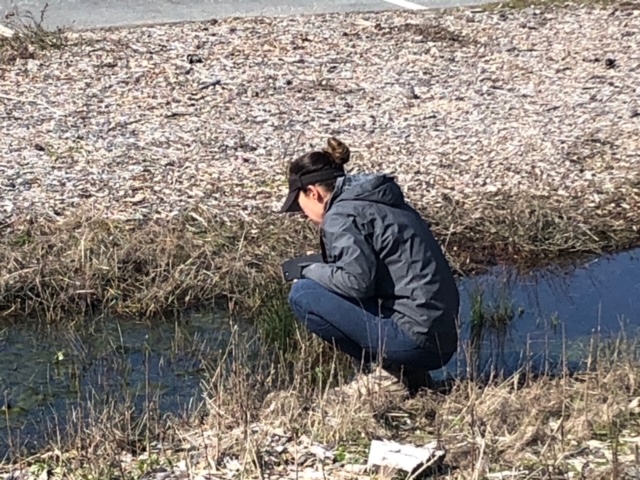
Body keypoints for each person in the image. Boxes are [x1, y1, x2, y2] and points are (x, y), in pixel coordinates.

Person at [279, 137, 460, 397]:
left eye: (300, 206)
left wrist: (307, 270)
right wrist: (324, 265)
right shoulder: (379, 200)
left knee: (304, 293)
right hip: (441, 341)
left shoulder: (340, 216)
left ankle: (388, 376)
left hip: (416, 340)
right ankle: (409, 373)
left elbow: (357, 283)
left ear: (312, 193)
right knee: (319, 283)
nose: (303, 215)